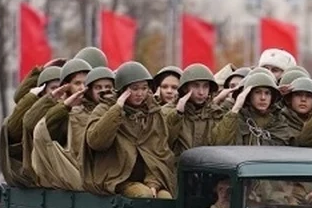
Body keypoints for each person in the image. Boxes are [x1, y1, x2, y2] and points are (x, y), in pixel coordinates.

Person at [85, 61, 176, 199]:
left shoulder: (153, 112)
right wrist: (117, 109)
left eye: (144, 88)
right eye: (134, 88)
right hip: (117, 178)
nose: (140, 93)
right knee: (143, 195)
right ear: (122, 89)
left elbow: (160, 151)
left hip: (147, 178)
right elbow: (96, 142)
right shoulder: (104, 109)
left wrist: (154, 183)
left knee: (165, 198)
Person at [211, 72, 294, 146]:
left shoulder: (279, 121)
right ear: (248, 95)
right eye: (257, 92)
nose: (263, 98)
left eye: (267, 93)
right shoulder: (236, 119)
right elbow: (220, 142)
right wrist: (235, 109)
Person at [166, 64, 223, 155]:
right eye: (196, 86)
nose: (201, 92)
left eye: (205, 86)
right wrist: (177, 114)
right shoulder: (167, 111)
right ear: (185, 88)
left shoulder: (216, 114)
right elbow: (165, 142)